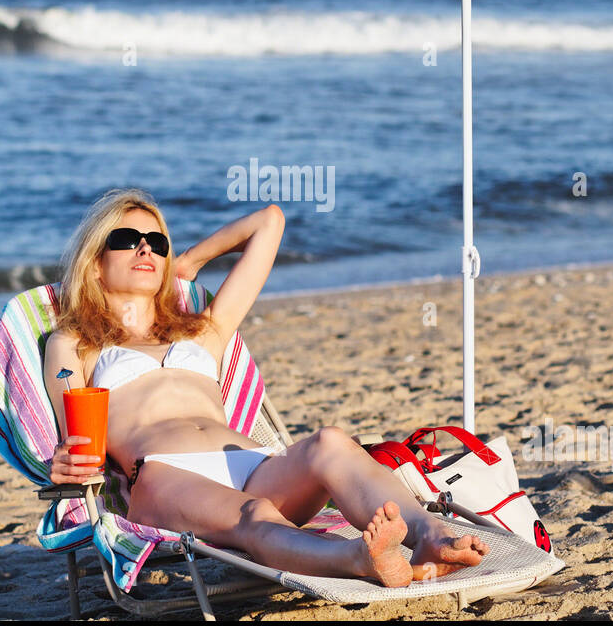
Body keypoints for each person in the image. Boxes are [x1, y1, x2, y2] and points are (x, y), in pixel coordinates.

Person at [44, 188, 487, 587]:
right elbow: (78, 435)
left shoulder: (204, 330)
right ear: (96, 263)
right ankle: (357, 557)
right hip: (163, 475)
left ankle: (432, 537)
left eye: (156, 242)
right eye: (125, 239)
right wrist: (67, 462)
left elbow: (269, 221)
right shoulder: (77, 342)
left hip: (251, 465)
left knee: (331, 442)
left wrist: (190, 262)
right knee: (255, 516)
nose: (144, 248)